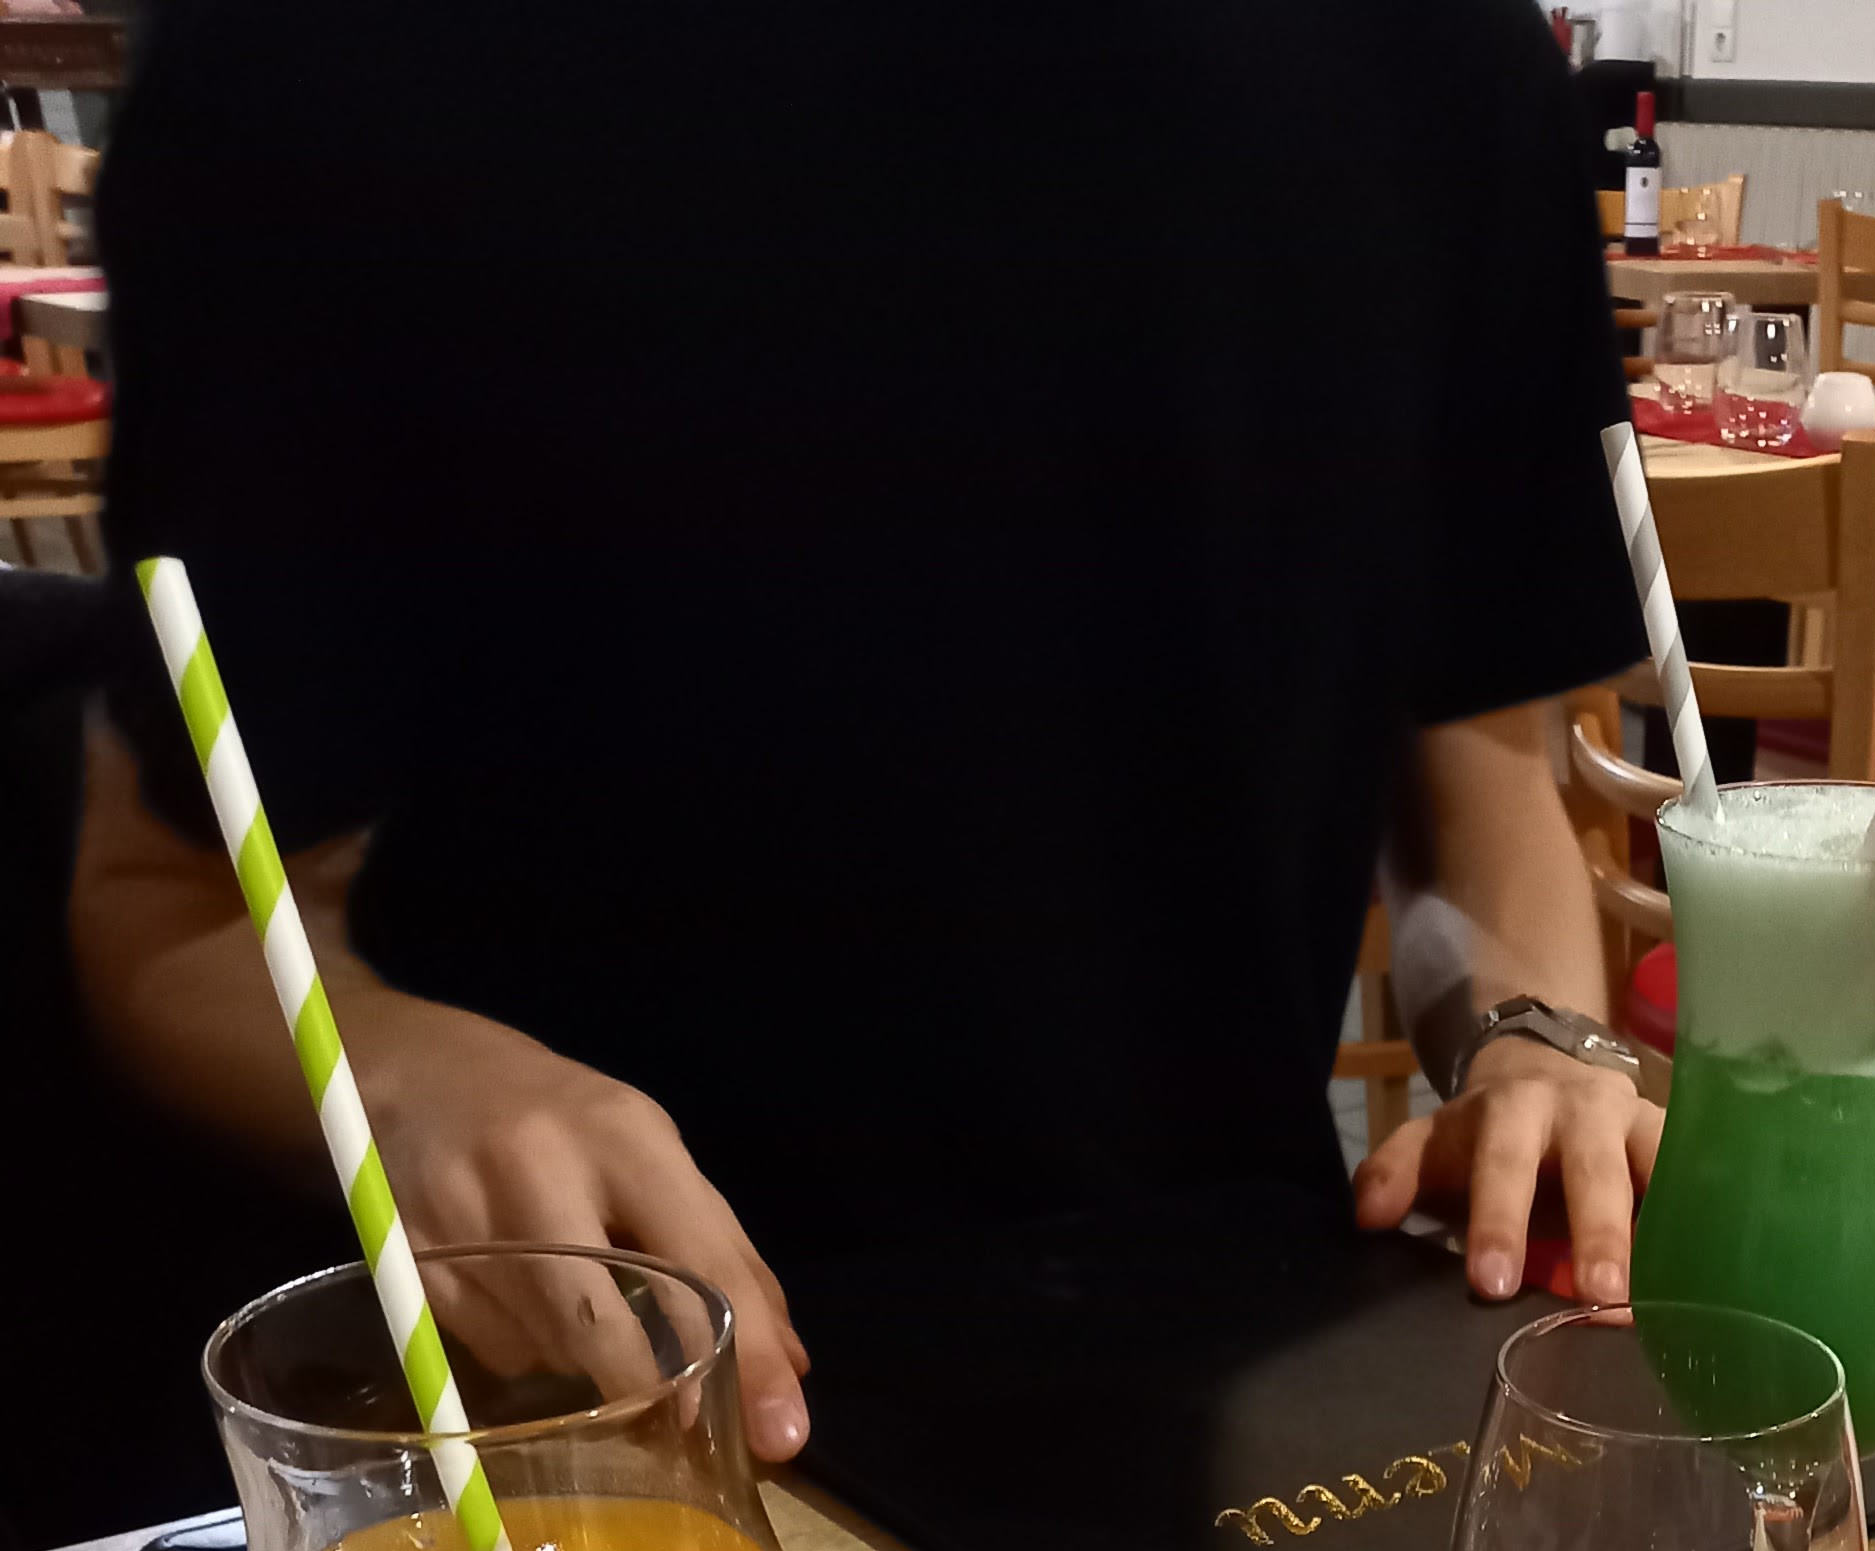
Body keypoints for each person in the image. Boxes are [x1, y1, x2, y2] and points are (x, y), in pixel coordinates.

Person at [72, 0, 1659, 1465]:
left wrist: (1529, 1041)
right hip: (553, 1430)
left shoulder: (1442, 61)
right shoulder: (317, 55)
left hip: (1218, 1425)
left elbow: (1483, 804)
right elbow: (166, 910)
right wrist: (420, 1083)